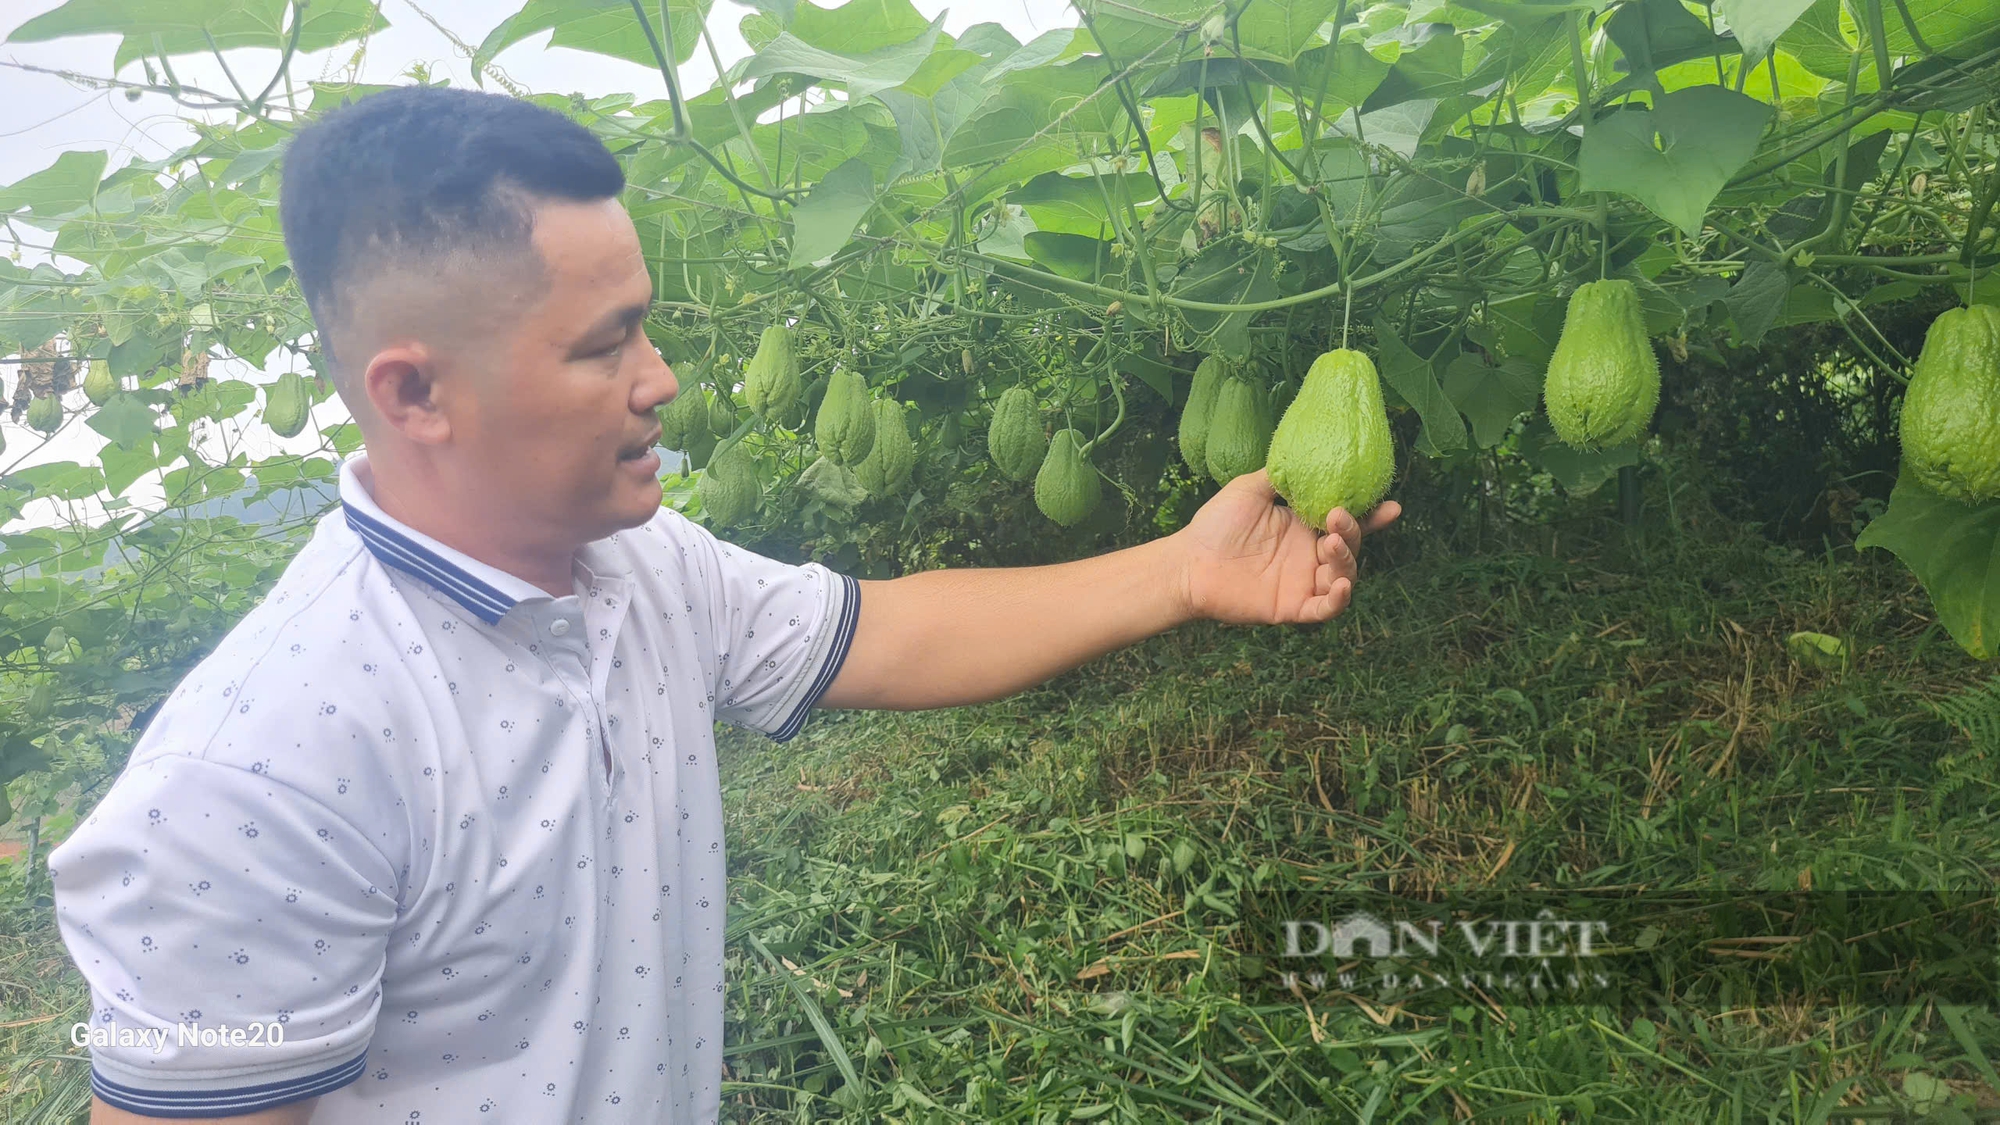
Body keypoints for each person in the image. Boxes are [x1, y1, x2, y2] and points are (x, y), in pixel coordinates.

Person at [49, 85, 1400, 1124]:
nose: (663, 380)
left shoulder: (642, 566)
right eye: (603, 344)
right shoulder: (258, 774)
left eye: (645, 324)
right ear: (414, 394)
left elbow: (888, 630)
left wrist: (1181, 568)